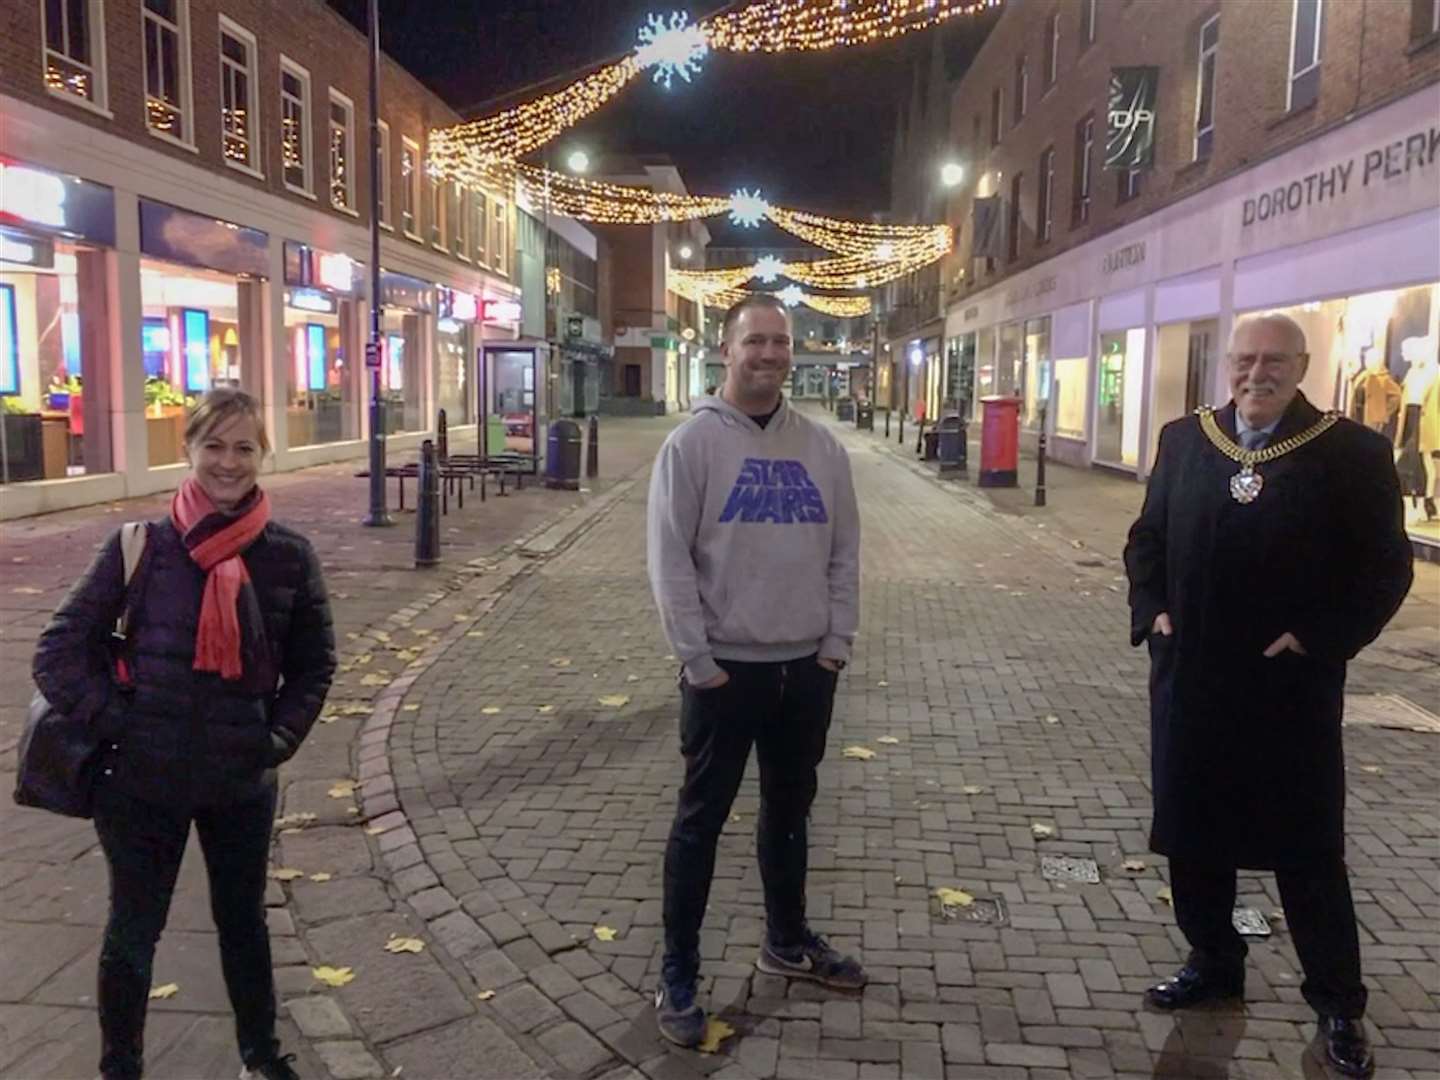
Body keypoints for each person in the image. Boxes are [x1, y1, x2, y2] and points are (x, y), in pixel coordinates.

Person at [1124, 313, 1413, 1080]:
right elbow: (1145, 536)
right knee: (1194, 838)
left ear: (1303, 364)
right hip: (1192, 679)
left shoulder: (1351, 451)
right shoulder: (1185, 440)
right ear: (1227, 362)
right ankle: (1214, 963)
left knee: (1308, 852)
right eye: (1246, 358)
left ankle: (1338, 1006)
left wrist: (1318, 637)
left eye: (1276, 361)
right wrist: (1150, 605)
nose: (1259, 373)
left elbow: (1386, 569)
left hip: (1289, 690)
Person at [33, 389, 337, 1080]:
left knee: (243, 925)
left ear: (264, 454)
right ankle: (121, 1068)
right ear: (190, 450)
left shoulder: (289, 556)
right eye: (215, 446)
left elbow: (315, 665)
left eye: (244, 447)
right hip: (142, 782)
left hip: (240, 780)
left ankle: (261, 1055)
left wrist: (276, 740)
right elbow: (56, 653)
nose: (228, 463)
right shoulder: (139, 547)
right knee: (134, 930)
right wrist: (122, 726)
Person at [646, 293, 864, 1047]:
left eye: (780, 342)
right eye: (755, 342)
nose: (769, 355)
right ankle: (678, 971)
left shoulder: (823, 448)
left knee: (790, 811)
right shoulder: (693, 446)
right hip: (724, 675)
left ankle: (787, 938)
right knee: (699, 824)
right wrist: (696, 658)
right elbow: (670, 559)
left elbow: (845, 552)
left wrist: (835, 642)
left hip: (804, 669)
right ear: (725, 348)